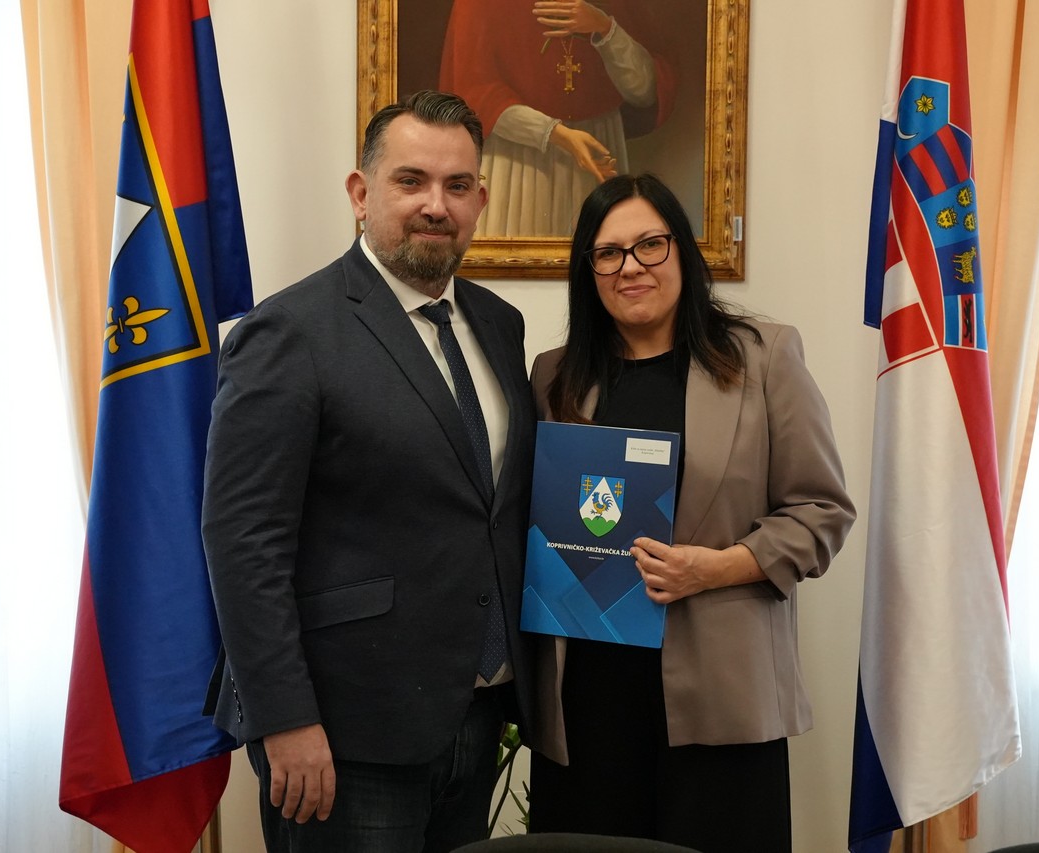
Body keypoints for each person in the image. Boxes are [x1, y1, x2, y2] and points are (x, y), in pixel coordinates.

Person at [201, 90, 535, 853]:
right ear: (361, 192)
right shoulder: (290, 331)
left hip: (475, 715)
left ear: (480, 200)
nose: (436, 205)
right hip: (343, 733)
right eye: (410, 180)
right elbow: (243, 541)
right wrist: (284, 717)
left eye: (457, 185)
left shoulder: (498, 325)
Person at [526, 173, 855, 853]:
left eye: (650, 244)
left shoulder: (763, 357)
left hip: (721, 701)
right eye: (608, 252)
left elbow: (822, 510)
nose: (631, 267)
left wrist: (718, 567)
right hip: (588, 703)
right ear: (588, 270)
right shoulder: (554, 375)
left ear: (682, 248)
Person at [439, 0, 677, 236]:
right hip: (520, 157)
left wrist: (605, 28)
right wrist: (558, 134)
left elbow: (644, 93)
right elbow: (476, 94)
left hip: (598, 148)